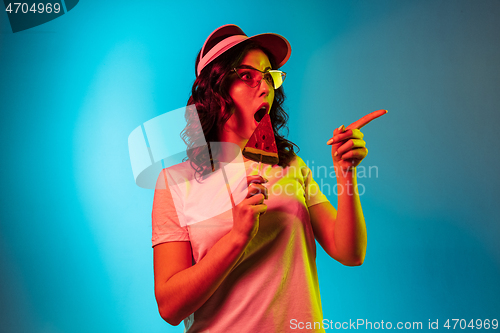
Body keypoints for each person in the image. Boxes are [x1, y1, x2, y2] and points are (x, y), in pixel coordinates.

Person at [152, 24, 384, 332]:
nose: (265, 88)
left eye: (270, 76)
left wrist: (345, 174)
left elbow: (350, 252)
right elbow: (169, 308)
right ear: (215, 90)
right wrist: (237, 238)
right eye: (247, 75)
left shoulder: (292, 167)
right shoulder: (174, 182)